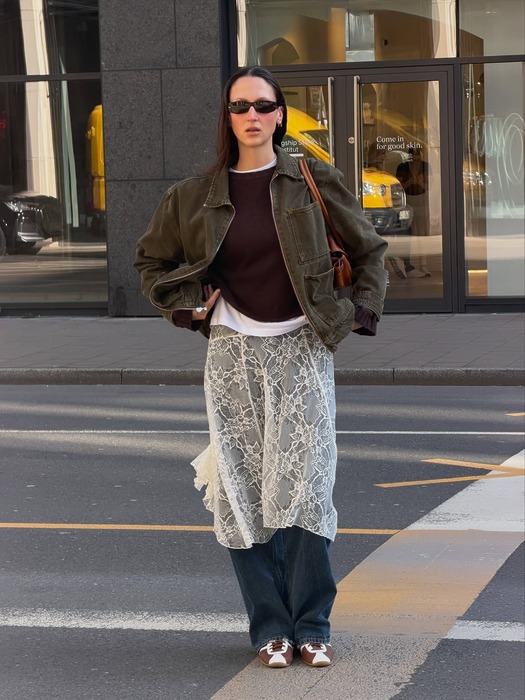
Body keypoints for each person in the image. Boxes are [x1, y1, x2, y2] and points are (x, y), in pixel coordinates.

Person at [134, 66, 388, 669]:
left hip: (303, 347)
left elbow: (368, 250)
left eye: (262, 105)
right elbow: (150, 263)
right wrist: (189, 305)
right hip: (232, 351)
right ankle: (270, 626)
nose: (251, 116)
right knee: (242, 489)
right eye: (239, 106)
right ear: (227, 118)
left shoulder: (310, 180)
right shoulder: (192, 196)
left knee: (304, 487)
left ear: (279, 115)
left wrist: (359, 311)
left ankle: (312, 625)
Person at [392, 145, 432, 278]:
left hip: (421, 200)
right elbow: (399, 187)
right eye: (413, 156)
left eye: (418, 155)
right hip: (406, 201)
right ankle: (406, 264)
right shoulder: (402, 167)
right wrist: (411, 181)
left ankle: (423, 264)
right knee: (406, 231)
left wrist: (419, 183)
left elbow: (429, 186)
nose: (415, 159)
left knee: (422, 233)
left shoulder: (425, 166)